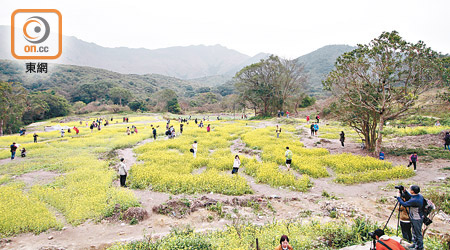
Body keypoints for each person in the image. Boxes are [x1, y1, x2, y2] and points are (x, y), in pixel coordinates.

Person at [397, 185, 424, 250]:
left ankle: (420, 247)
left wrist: (398, 198)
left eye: (410, 189)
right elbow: (410, 196)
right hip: (415, 216)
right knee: (414, 232)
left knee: (418, 233)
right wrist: (404, 191)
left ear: (412, 191)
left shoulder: (414, 200)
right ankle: (415, 244)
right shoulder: (419, 196)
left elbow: (404, 204)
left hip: (416, 218)